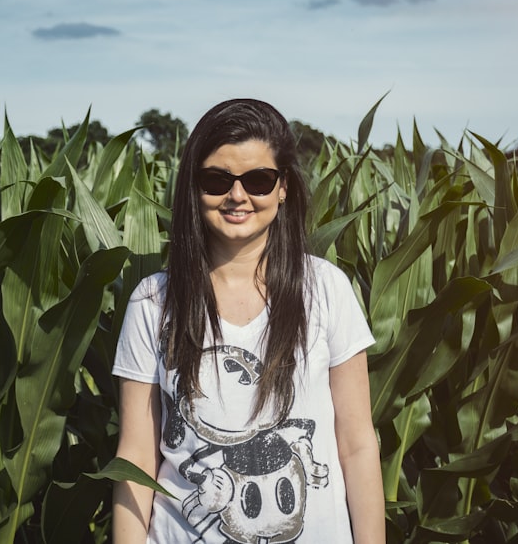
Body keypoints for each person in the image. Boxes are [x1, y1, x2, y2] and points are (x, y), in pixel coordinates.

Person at [112, 99, 385, 543]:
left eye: (259, 180)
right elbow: (137, 456)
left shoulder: (326, 290)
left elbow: (356, 445)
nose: (237, 195)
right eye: (217, 180)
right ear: (193, 188)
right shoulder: (153, 303)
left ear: (283, 189)